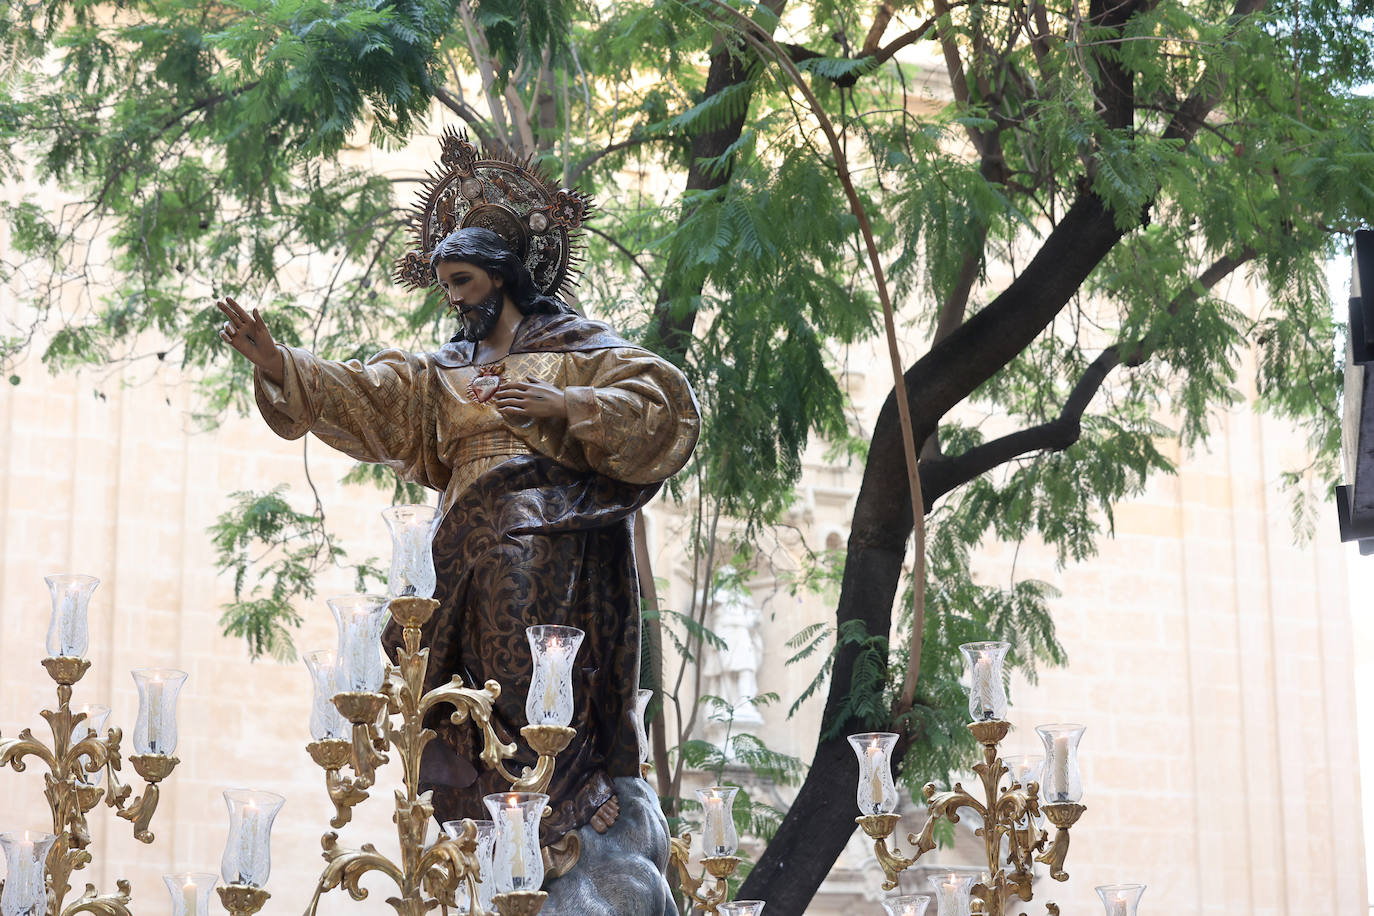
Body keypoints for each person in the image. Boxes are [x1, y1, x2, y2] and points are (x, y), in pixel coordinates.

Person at [216, 224, 699, 850]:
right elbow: (366, 394)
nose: (456, 299)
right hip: (460, 532)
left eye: (464, 282)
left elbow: (664, 402)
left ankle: (562, 778)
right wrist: (280, 364)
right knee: (466, 678)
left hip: (543, 521)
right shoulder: (440, 373)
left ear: (501, 277)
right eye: (446, 287)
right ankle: (479, 784)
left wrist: (563, 403)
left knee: (527, 639)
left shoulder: (576, 348)